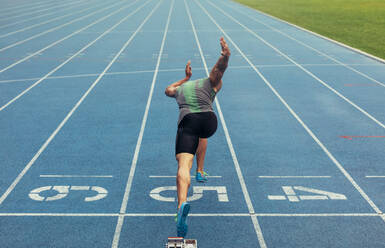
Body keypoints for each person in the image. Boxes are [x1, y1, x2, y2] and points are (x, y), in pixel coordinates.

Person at [165, 37, 231, 237]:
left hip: (189, 121)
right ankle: (200, 171)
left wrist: (184, 79)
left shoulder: (179, 90)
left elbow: (167, 89)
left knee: (183, 165)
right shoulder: (210, 84)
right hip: (209, 121)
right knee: (203, 135)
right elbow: (217, 71)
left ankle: (181, 204)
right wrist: (225, 56)